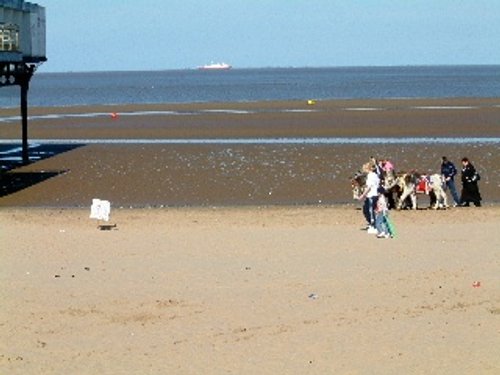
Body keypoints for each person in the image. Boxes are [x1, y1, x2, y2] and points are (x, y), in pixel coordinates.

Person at [358, 163, 380, 234]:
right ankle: (371, 223)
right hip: (373, 195)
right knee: (366, 210)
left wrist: (362, 195)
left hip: (372, 195)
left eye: (364, 168)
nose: (363, 170)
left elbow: (369, 187)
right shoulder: (375, 175)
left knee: (371, 211)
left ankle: (374, 226)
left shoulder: (371, 176)